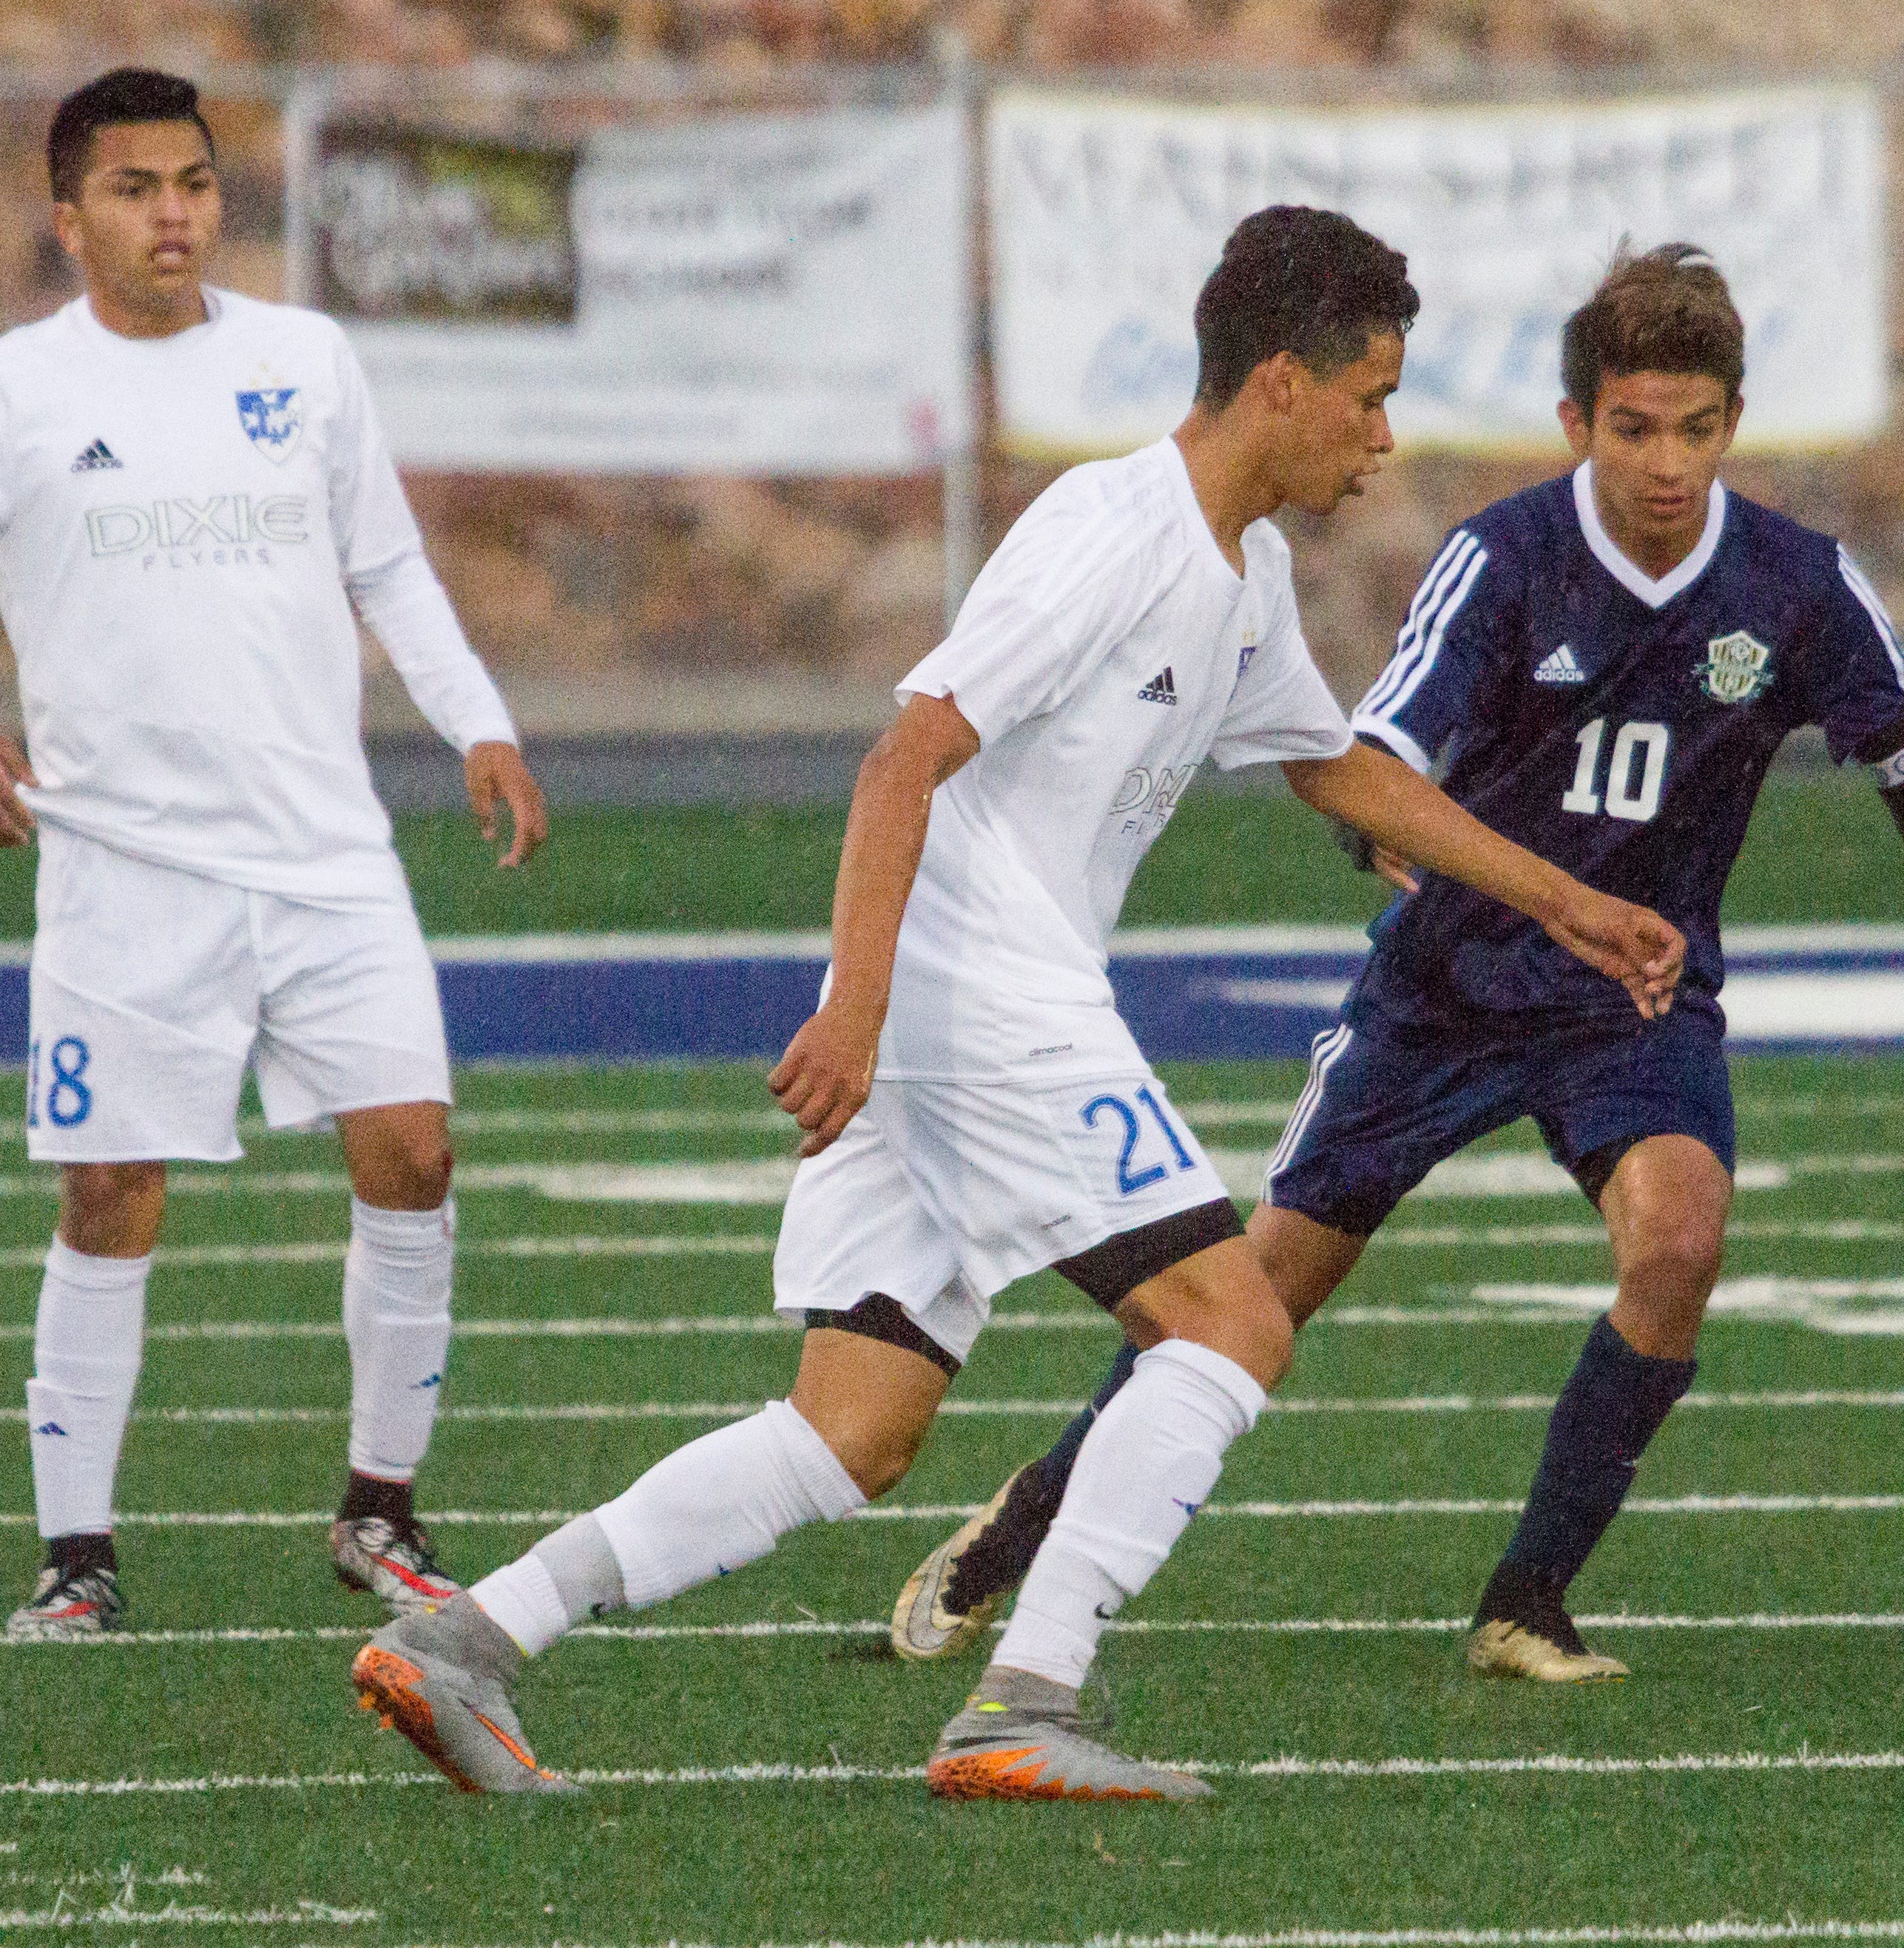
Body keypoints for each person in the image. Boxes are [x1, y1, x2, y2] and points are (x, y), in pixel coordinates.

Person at [348, 205, 1684, 1800]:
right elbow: (910, 746)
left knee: (853, 1428)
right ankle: (1025, 1698)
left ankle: (472, 1638)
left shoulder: (1241, 565)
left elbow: (1335, 767)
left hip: (958, 999)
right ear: (1279, 384)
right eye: (1370, 397)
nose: (1383, 439)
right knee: (1236, 1320)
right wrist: (856, 1009)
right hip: (980, 987)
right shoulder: (1111, 533)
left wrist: (1568, 900)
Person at [891, 243, 1904, 1684]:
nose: (1667, 464)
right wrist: (1373, 840)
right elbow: (1371, 749)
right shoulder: (1504, 561)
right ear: (1578, 425)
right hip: (1446, 992)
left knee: (1680, 1240)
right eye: (1633, 428)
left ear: (1733, 424)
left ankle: (1528, 1598)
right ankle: (1030, 1517)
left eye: (1697, 429)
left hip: (1636, 998)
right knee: (1255, 1296)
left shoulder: (1800, 588)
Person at [0, 70, 547, 1641]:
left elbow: (387, 561)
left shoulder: (303, 362)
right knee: (110, 1190)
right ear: (69, 218)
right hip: (122, 868)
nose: (172, 213)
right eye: (132, 188)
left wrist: (480, 724)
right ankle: (76, 1557)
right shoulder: (23, 389)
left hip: (323, 856)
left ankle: (380, 1513)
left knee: (416, 1156)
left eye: (191, 182)